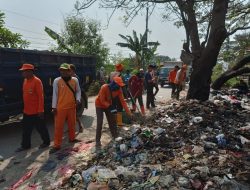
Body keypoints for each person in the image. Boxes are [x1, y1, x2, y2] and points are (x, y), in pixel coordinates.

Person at [16, 63, 50, 152]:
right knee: (26, 130)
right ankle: (25, 145)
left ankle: (46, 142)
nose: (22, 73)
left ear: (30, 72)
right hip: (27, 111)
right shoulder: (25, 81)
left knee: (41, 128)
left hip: (36, 112)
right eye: (22, 72)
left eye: (24, 72)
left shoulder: (37, 81)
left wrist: (41, 110)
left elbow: (41, 96)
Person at [50, 63, 81, 153]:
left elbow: (78, 91)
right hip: (60, 108)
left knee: (72, 124)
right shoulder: (57, 81)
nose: (63, 72)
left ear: (69, 71)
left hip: (72, 106)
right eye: (61, 70)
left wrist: (78, 99)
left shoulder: (75, 80)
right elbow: (55, 94)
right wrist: (54, 107)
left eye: (65, 70)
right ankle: (57, 145)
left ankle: (72, 138)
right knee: (58, 127)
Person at [95, 77, 132, 147]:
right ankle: (97, 141)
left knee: (112, 121)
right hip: (99, 105)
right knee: (99, 122)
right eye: (118, 85)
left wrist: (129, 113)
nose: (119, 87)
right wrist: (110, 106)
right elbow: (102, 100)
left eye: (120, 86)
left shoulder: (119, 90)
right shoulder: (104, 87)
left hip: (108, 105)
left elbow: (123, 102)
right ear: (113, 83)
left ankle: (115, 136)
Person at [69, 64, 84, 133]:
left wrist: (78, 99)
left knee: (74, 114)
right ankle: (71, 128)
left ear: (73, 70)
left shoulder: (76, 78)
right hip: (69, 98)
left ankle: (80, 126)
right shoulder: (68, 77)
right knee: (69, 114)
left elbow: (78, 90)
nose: (68, 71)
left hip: (74, 98)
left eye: (70, 70)